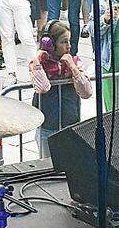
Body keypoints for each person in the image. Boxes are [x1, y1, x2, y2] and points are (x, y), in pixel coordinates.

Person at [29, 20, 92, 156]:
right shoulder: (39, 64)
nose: (68, 46)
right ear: (50, 44)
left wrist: (73, 68)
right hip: (47, 126)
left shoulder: (74, 62)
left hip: (71, 123)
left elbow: (87, 92)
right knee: (47, 166)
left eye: (69, 41)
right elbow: (43, 87)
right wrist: (38, 61)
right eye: (64, 42)